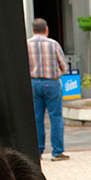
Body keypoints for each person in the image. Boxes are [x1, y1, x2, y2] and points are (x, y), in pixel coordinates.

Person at [27, 18, 70, 161]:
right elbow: (65, 67)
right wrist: (56, 74)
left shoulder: (27, 44)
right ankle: (57, 152)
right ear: (47, 30)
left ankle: (37, 151)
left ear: (33, 29)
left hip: (33, 83)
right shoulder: (53, 44)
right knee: (56, 117)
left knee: (37, 118)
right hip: (51, 83)